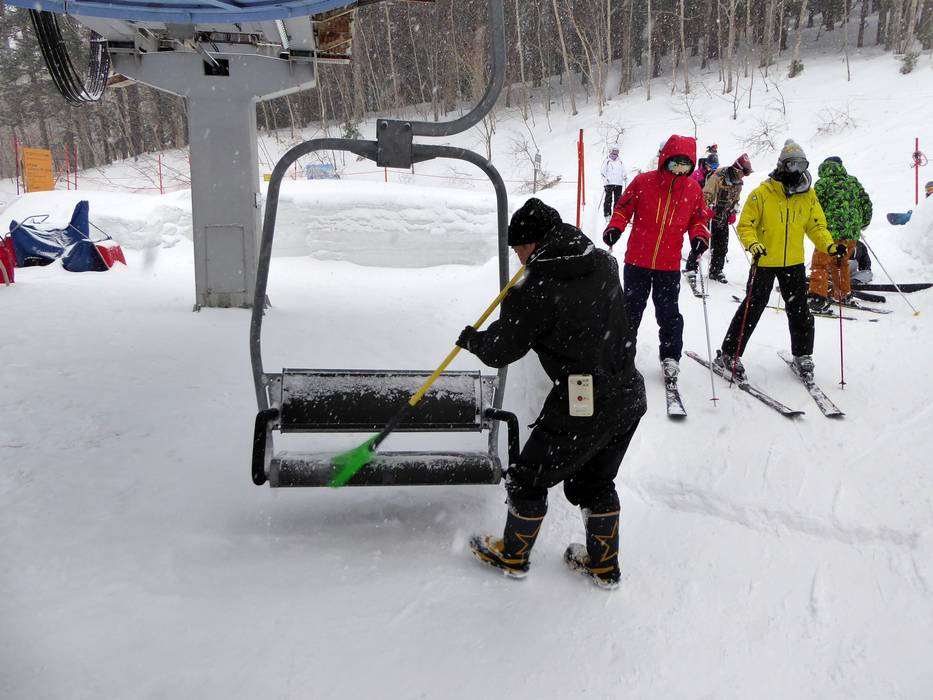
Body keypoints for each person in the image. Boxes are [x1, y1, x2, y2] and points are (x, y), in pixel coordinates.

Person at [457, 197, 646, 589]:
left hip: (583, 401)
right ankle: (603, 566)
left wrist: (474, 340)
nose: (518, 257)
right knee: (595, 483)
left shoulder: (534, 289)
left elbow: (502, 350)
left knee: (528, 479)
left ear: (533, 242)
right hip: (628, 393)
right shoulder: (603, 262)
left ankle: (513, 555)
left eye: (518, 249)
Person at [715, 139, 843, 382]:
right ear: (782, 165)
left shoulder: (808, 195)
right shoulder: (762, 194)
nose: (796, 171)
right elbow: (746, 225)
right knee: (753, 307)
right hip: (765, 260)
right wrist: (753, 244)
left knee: (799, 309)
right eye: (792, 165)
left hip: (793, 262)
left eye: (801, 165)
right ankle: (730, 353)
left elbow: (816, 226)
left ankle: (802, 354)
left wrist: (828, 245)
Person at [603, 134, 711, 385]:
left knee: (669, 312)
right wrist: (615, 226)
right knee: (630, 311)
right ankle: (622, 353)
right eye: (675, 164)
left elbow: (699, 219)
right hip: (637, 261)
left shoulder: (693, 190)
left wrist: (699, 237)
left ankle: (670, 356)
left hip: (668, 264)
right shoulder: (643, 182)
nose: (679, 171)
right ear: (665, 160)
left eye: (685, 166)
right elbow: (623, 208)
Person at [807, 156, 873, 312]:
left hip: (829, 234)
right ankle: (842, 294)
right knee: (840, 263)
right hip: (851, 234)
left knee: (820, 265)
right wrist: (862, 223)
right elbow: (866, 203)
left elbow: (814, 208)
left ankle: (817, 299)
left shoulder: (822, 184)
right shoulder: (853, 182)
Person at [685, 153, 753, 284]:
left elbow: (736, 199)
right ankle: (691, 269)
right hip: (711, 215)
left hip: (723, 216)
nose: (744, 175)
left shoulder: (739, 182)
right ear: (737, 169)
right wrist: (706, 209)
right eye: (744, 172)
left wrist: (733, 212)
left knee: (722, 246)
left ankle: (716, 271)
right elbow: (706, 194)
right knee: (702, 243)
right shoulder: (718, 176)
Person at [600, 146, 628, 220]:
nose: (615, 154)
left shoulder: (620, 162)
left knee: (618, 200)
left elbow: (623, 171)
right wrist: (605, 179)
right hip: (609, 183)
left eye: (616, 153)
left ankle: (616, 214)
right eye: (613, 152)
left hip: (618, 183)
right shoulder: (607, 161)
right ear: (610, 152)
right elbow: (602, 171)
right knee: (608, 199)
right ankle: (607, 214)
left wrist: (624, 176)